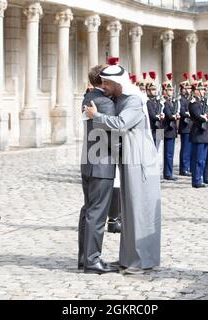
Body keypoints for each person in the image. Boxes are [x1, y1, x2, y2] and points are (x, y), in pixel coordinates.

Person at [84, 64, 161, 274]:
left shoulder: (134, 100)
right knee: (129, 212)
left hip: (140, 160)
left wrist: (96, 116)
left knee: (140, 211)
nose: (103, 87)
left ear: (118, 83)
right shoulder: (119, 99)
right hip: (128, 159)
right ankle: (129, 258)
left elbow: (120, 124)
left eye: (107, 83)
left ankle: (142, 260)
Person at [78, 64, 119, 274]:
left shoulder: (88, 97)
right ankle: (93, 260)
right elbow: (111, 136)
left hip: (88, 161)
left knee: (87, 210)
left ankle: (84, 257)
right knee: (97, 213)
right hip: (102, 162)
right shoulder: (106, 103)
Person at [189, 72, 208, 188]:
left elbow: (206, 112)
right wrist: (206, 117)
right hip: (198, 133)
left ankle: (200, 178)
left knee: (202, 159)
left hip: (204, 133)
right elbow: (197, 115)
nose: (203, 91)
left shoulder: (202, 102)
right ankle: (197, 180)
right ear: (196, 91)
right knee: (198, 159)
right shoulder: (193, 103)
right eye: (201, 89)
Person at [162, 73, 179, 181]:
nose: (171, 92)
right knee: (160, 152)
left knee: (170, 152)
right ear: (164, 91)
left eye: (171, 90)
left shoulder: (171, 102)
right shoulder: (163, 102)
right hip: (162, 129)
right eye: (169, 90)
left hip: (170, 129)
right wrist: (175, 116)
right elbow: (168, 115)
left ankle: (168, 173)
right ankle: (166, 173)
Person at [178, 73, 193, 177]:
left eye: (189, 88)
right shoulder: (181, 99)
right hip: (185, 126)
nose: (187, 90)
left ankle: (187, 167)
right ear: (181, 89)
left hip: (190, 126)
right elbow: (182, 112)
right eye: (185, 88)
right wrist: (189, 113)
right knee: (185, 149)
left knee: (189, 149)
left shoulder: (188, 99)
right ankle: (183, 168)